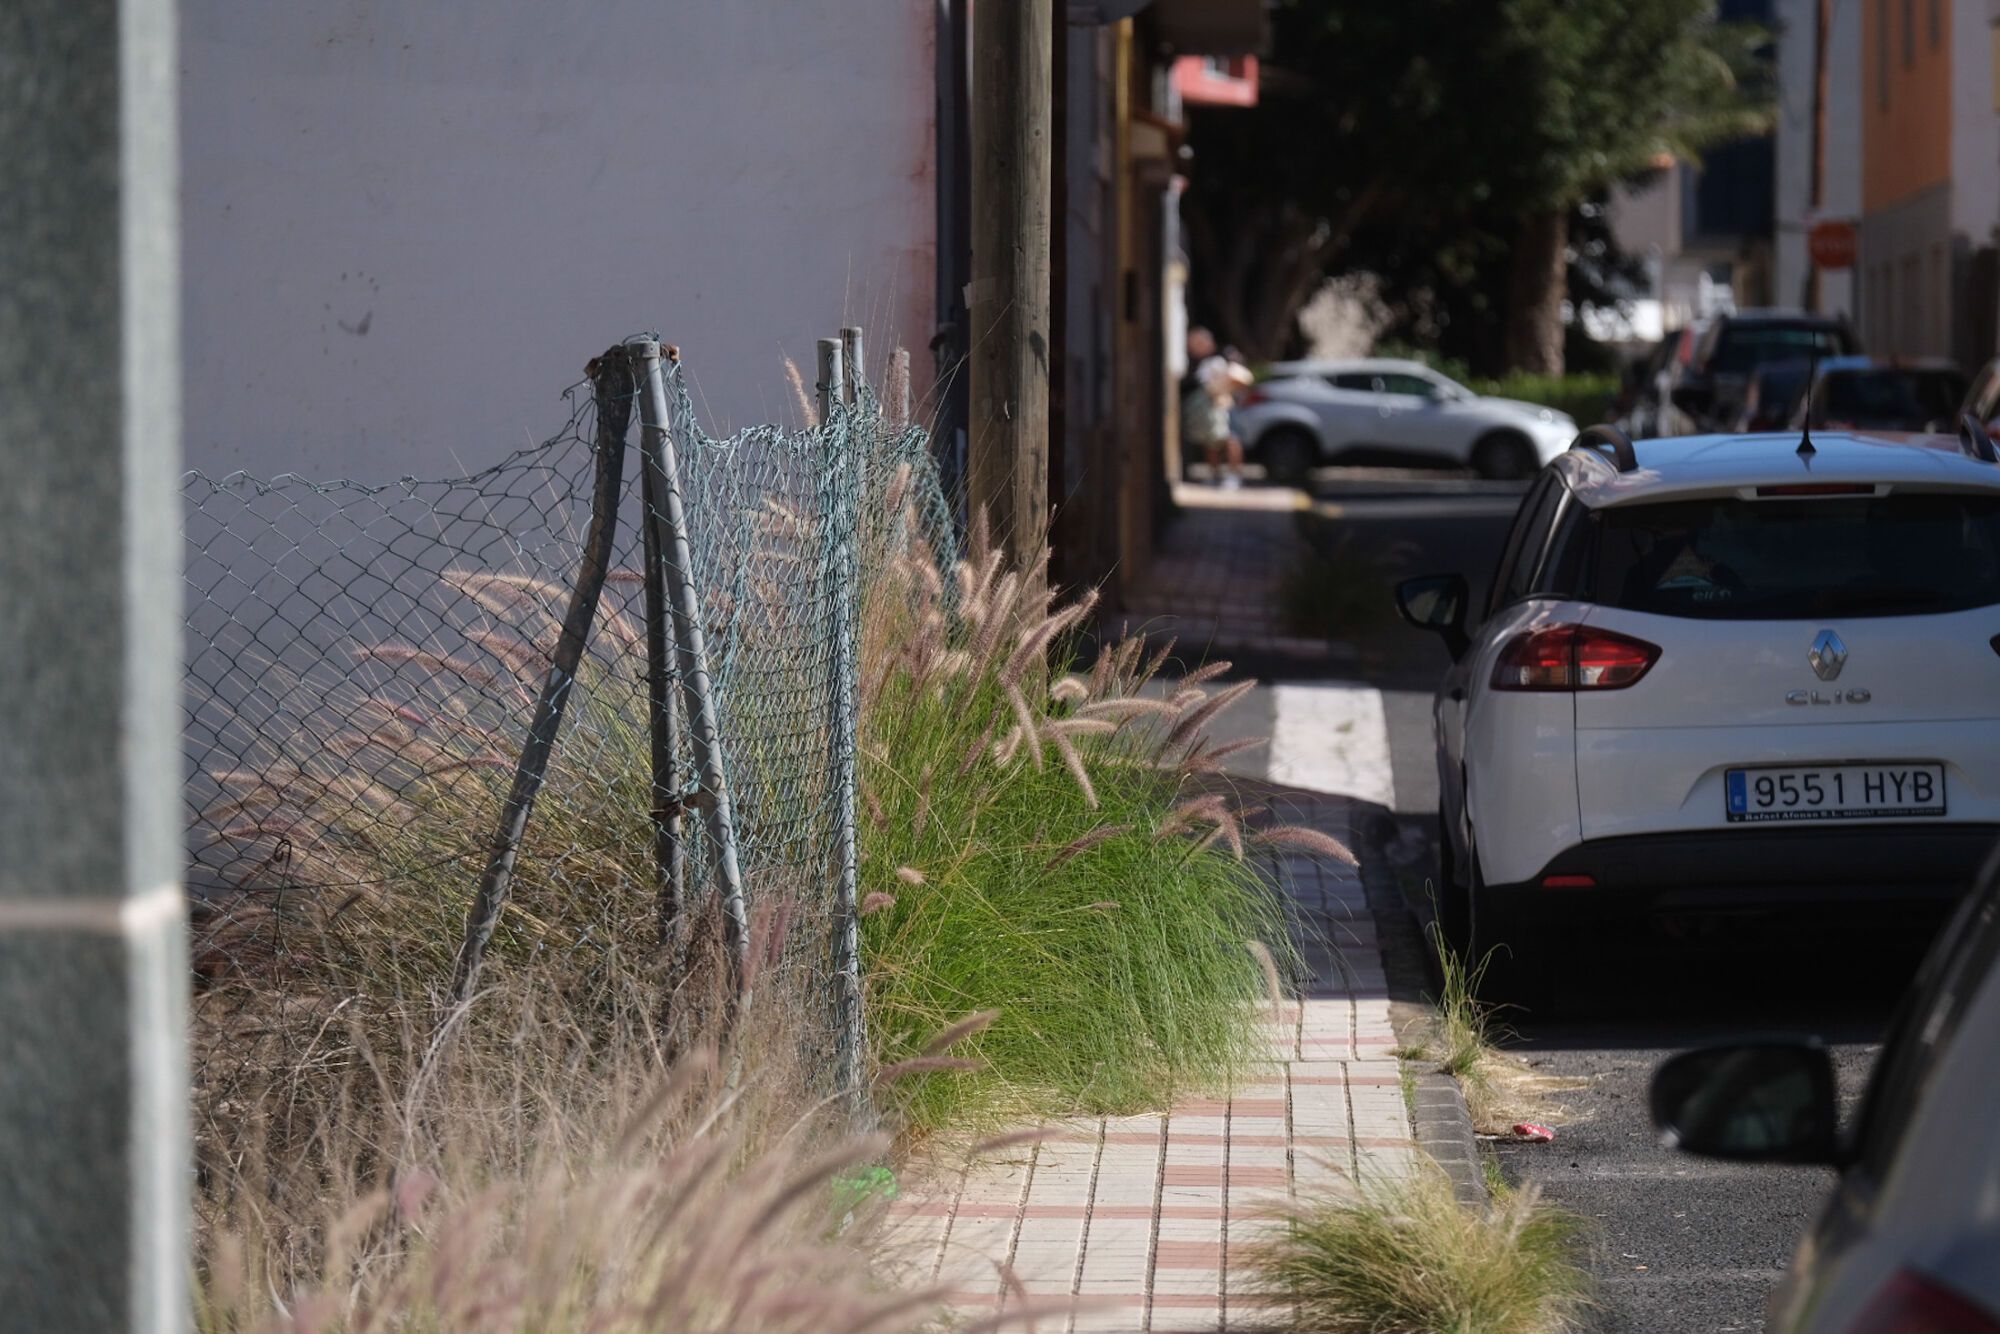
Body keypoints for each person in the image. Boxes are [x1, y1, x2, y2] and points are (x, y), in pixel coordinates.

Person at [1183, 326, 1249, 488]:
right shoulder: (1195, 361)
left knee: (1231, 439)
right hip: (1209, 407)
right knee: (1211, 441)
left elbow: (1241, 377)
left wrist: (1222, 391)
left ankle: (1234, 476)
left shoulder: (1225, 354)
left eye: (1195, 344)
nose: (1192, 348)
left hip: (1226, 404)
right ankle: (1214, 474)